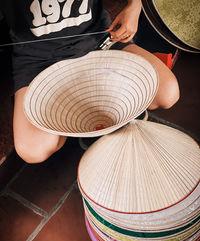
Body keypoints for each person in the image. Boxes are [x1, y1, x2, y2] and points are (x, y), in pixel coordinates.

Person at [0, 0, 179, 163]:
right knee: (33, 150)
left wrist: (135, 7)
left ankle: (86, 108)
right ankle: (77, 114)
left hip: (99, 41)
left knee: (167, 93)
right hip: (38, 61)